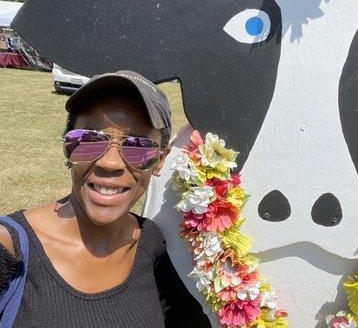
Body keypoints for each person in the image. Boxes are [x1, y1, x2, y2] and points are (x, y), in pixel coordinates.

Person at [0, 70, 210, 327]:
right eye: (89, 139)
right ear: (69, 150)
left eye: (139, 146)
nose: (110, 162)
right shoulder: (9, 248)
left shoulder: (148, 241)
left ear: (160, 161)